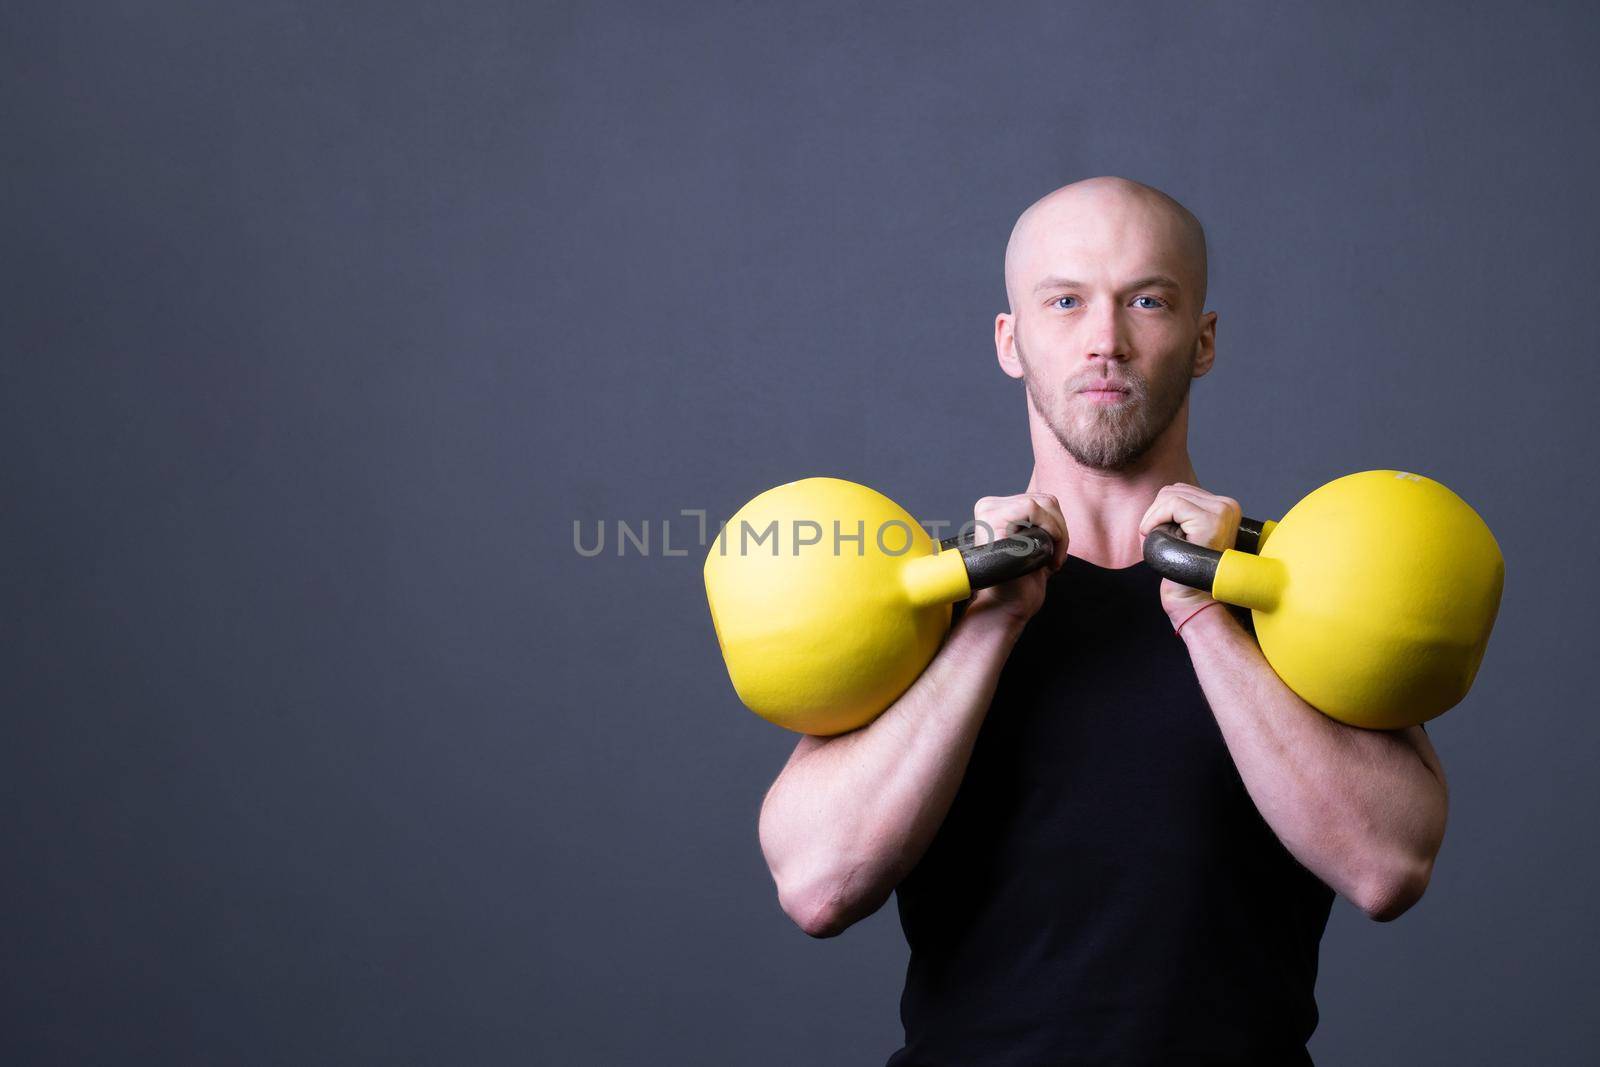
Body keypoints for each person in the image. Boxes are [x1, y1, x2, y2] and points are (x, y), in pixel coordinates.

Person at [755, 176, 1449, 1065]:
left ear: (1201, 341)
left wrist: (1204, 610)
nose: (1105, 342)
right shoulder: (929, 596)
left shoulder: (1299, 578)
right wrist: (986, 625)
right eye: (1066, 301)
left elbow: (1388, 865)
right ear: (1012, 341)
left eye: (1147, 301)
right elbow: (818, 884)